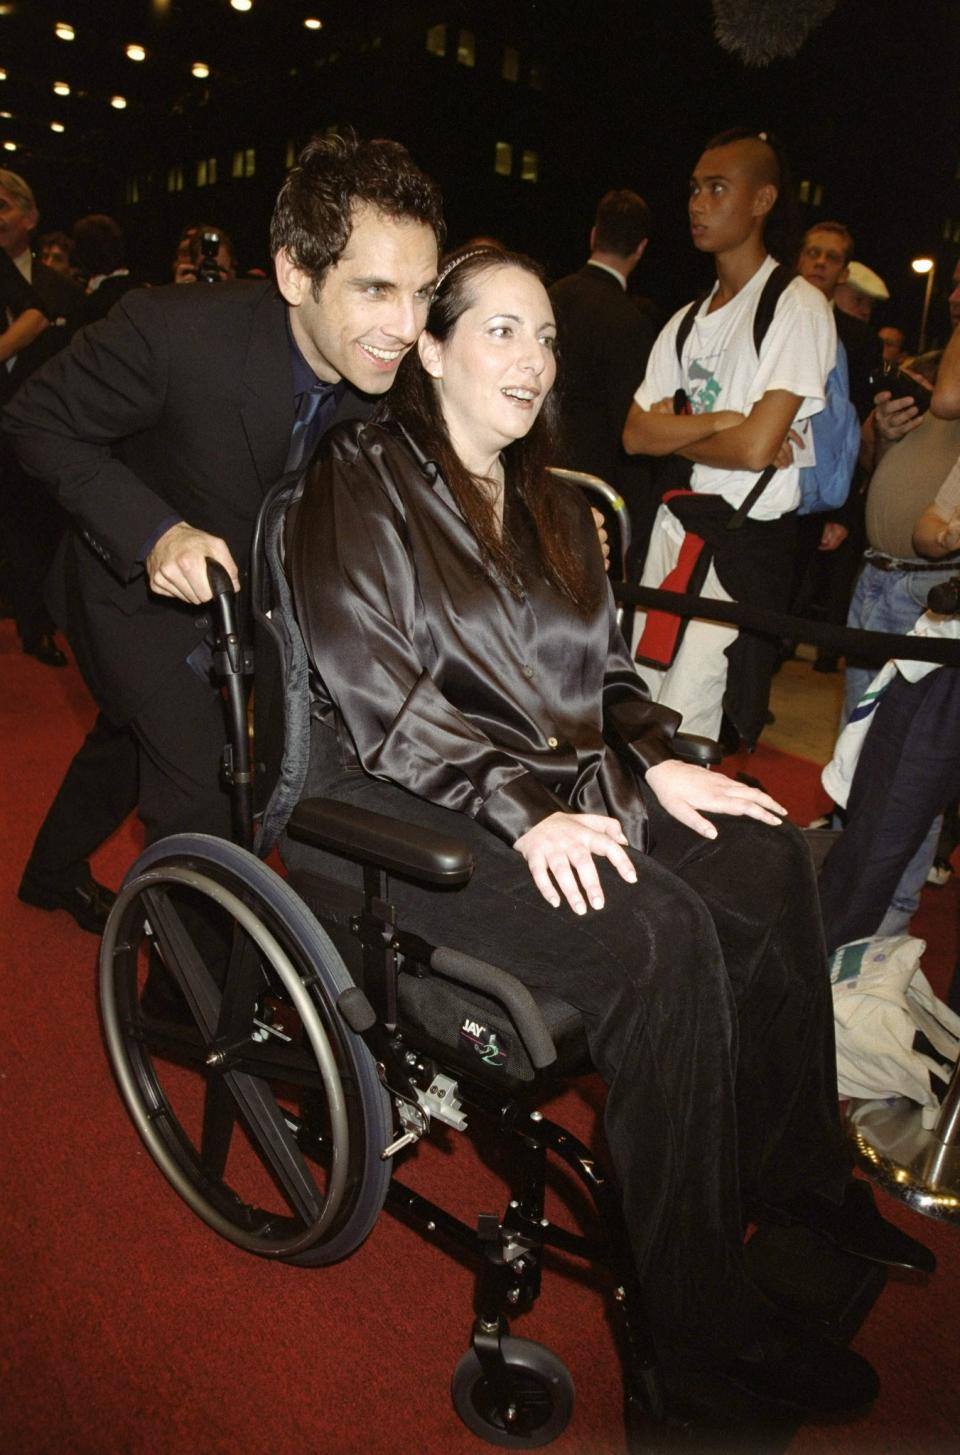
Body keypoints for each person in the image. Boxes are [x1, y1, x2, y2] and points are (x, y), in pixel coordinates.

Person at [283, 243, 932, 1421]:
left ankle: (797, 1183)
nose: (531, 360)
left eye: (544, 339)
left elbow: (606, 674)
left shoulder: (551, 496)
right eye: (501, 332)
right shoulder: (359, 476)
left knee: (768, 854)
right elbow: (381, 697)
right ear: (431, 348)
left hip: (550, 788)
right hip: (407, 811)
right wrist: (529, 810)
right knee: (660, 933)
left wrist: (663, 762)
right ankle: (698, 1334)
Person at [5, 133, 443, 933]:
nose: (408, 326)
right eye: (377, 289)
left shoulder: (388, 367)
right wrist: (157, 532)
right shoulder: (170, 332)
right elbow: (35, 419)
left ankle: (47, 871)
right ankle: (193, 995)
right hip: (127, 590)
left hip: (250, 601)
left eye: (423, 291)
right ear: (294, 272)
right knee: (209, 780)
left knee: (134, 734)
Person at [623, 129, 834, 743]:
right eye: (694, 189)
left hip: (743, 546)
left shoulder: (795, 306)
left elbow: (754, 451)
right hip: (674, 532)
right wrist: (720, 422)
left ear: (762, 199)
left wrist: (679, 429)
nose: (698, 204)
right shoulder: (686, 320)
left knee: (691, 728)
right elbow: (635, 435)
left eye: (718, 188)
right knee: (639, 707)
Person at [549, 190, 658, 567]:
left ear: (594, 235)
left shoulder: (549, 297)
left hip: (537, 476)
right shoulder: (630, 323)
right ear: (640, 249)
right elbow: (628, 428)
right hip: (596, 500)